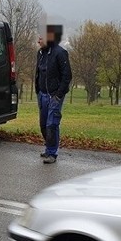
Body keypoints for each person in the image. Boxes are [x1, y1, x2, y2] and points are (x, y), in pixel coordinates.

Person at [35, 24, 72, 164]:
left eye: (40, 38)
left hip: (54, 95)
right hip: (42, 95)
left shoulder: (60, 53)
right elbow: (38, 74)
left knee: (52, 124)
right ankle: (48, 148)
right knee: (43, 125)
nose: (39, 41)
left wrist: (58, 95)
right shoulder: (40, 53)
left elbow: (67, 76)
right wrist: (38, 91)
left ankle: (52, 153)